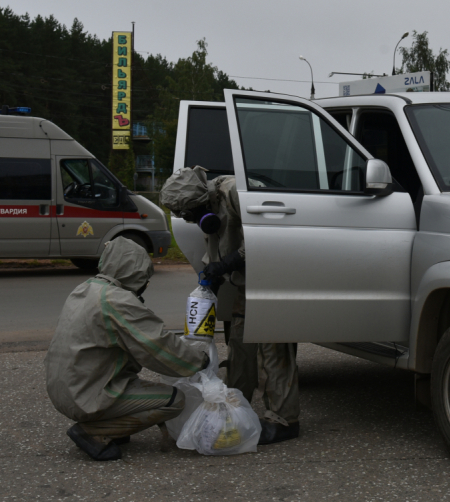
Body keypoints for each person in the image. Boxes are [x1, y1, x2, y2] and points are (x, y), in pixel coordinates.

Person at [163, 168, 300, 445]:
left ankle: (285, 420)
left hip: (270, 279)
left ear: (202, 198)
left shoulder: (234, 193)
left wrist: (228, 263)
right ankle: (238, 409)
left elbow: (268, 237)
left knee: (273, 349)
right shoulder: (208, 205)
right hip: (245, 285)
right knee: (239, 346)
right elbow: (217, 246)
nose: (193, 219)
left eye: (192, 212)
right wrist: (211, 279)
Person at [44, 236, 213, 461]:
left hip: (66, 389)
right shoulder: (117, 300)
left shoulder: (87, 288)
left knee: (131, 373)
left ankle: (109, 424)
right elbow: (158, 346)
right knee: (174, 400)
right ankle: (94, 432)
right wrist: (197, 361)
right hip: (85, 395)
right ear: (135, 272)